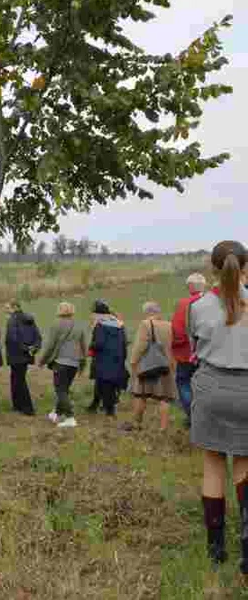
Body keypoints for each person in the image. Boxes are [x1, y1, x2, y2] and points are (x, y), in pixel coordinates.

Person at [189, 240, 248, 569]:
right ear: (245, 268)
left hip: (211, 388)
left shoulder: (197, 307)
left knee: (213, 464)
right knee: (244, 464)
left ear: (213, 268)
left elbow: (194, 345)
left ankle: (216, 549)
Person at [126, 301, 175, 431]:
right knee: (164, 397)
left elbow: (141, 346)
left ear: (147, 312)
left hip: (148, 366)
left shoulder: (145, 324)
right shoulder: (169, 325)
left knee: (141, 394)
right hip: (166, 365)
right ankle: (163, 428)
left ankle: (137, 423)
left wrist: (133, 361)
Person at [39, 302, 88, 429]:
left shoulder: (56, 324)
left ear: (59, 311)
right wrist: (83, 365)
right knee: (64, 389)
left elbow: (50, 345)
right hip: (75, 362)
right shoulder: (79, 325)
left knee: (60, 390)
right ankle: (56, 413)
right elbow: (84, 347)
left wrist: (42, 360)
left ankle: (70, 417)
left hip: (61, 362)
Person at [171, 273, 208, 426]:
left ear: (190, 287)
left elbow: (178, 330)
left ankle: (193, 418)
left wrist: (176, 345)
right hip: (208, 353)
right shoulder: (213, 302)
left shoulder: (184, 304)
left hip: (187, 352)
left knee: (183, 381)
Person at [88, 300, 129, 416]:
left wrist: (91, 346)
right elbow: (124, 342)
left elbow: (99, 343)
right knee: (109, 384)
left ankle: (109, 411)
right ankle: (99, 406)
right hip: (117, 358)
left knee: (105, 385)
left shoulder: (101, 325)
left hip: (104, 359)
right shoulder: (119, 324)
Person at [5, 300, 42, 416]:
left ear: (15, 307)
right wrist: (33, 349)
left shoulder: (12, 320)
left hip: (16, 356)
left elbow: (12, 339)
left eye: (8, 307)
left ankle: (28, 408)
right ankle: (17, 405)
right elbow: (38, 337)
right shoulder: (29, 319)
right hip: (26, 356)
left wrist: (26, 349)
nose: (6, 310)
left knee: (19, 381)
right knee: (15, 379)